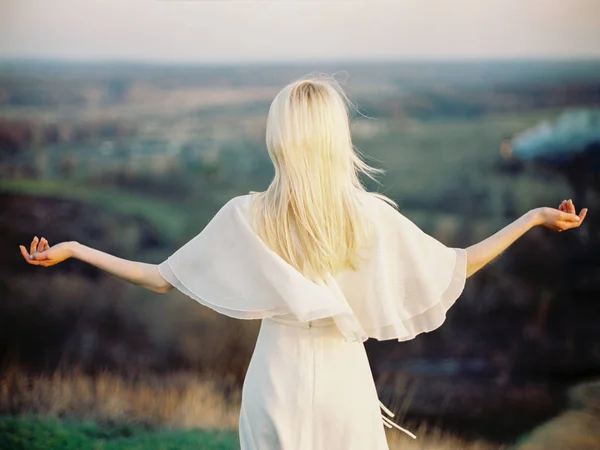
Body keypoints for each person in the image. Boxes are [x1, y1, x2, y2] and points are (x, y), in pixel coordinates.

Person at [20, 74, 588, 450]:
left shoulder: (248, 215)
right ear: (334, 138)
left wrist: (76, 249)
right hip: (344, 381)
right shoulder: (365, 215)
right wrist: (532, 218)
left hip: (277, 378)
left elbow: (162, 279)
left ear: (280, 138)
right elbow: (456, 264)